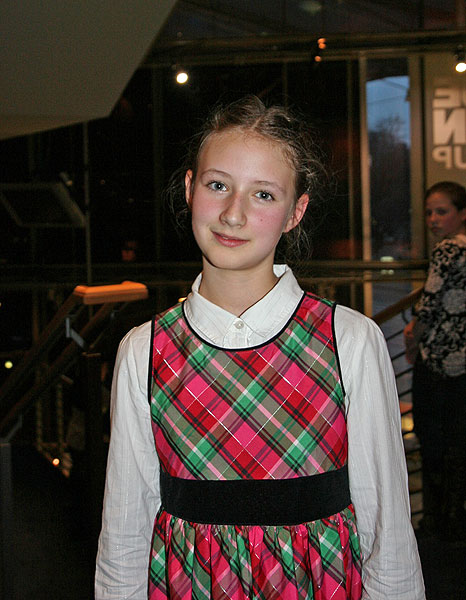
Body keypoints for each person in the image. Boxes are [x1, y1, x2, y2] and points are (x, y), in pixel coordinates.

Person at [95, 96, 424, 599]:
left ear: (296, 212)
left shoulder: (349, 340)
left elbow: (388, 529)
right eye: (218, 185)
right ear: (189, 189)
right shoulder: (144, 350)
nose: (233, 214)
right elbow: (124, 531)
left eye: (263, 194)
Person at [404, 181, 466, 539]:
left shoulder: (447, 250)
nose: (433, 219)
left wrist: (412, 337)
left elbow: (428, 306)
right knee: (458, 445)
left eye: (441, 211)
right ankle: (455, 521)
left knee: (432, 444)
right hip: (462, 368)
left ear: (462, 214)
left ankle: (436, 524)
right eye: (429, 212)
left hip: (438, 363)